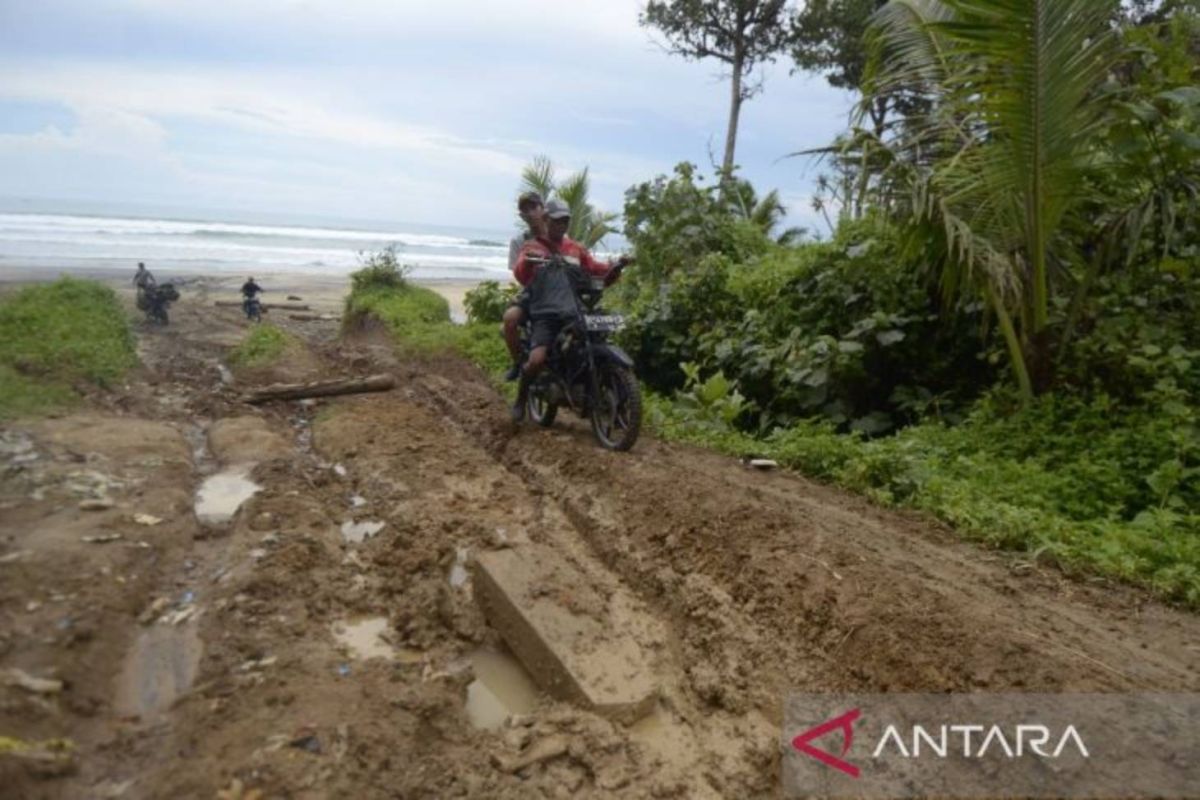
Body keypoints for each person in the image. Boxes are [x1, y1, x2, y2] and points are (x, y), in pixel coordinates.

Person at [510, 199, 630, 421]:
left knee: (592, 341)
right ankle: (521, 398)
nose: (561, 225)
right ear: (546, 220)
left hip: (572, 310)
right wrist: (529, 262)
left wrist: (618, 266)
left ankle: (593, 390)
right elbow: (521, 275)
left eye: (565, 221)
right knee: (536, 359)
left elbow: (598, 271)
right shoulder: (532, 247)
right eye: (557, 221)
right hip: (545, 313)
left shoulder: (576, 249)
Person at [502, 192, 546, 380]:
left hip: (560, 292)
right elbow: (518, 274)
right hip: (532, 291)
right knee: (510, 320)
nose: (530, 213)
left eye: (534, 207)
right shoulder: (519, 241)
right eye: (525, 210)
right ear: (521, 216)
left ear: (543, 208)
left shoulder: (559, 235)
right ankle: (518, 363)